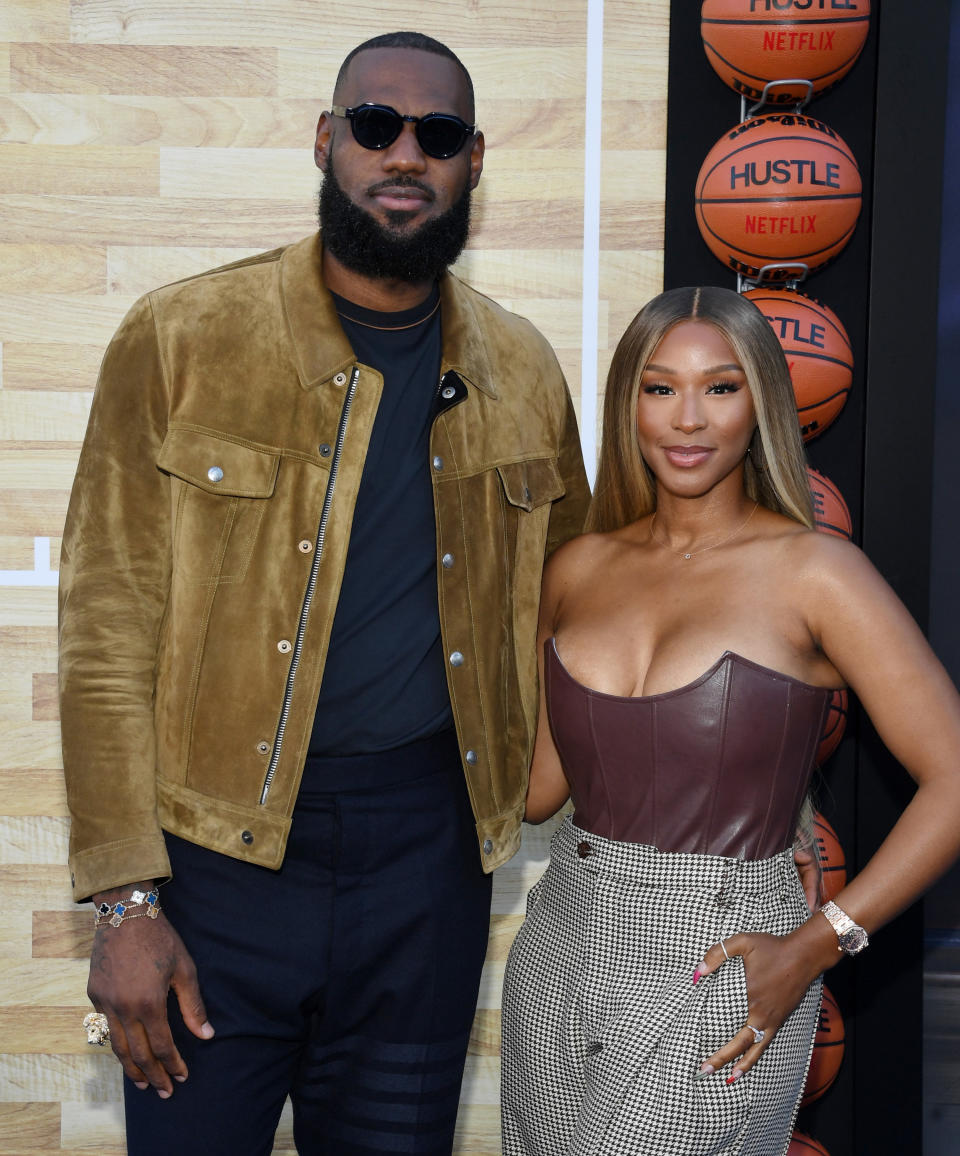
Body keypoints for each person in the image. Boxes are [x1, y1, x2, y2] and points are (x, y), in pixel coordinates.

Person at [58, 31, 590, 1156]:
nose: (405, 154)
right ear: (325, 138)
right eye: (376, 125)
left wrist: (739, 811)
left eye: (437, 136)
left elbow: (591, 621)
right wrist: (125, 904)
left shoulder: (525, 372)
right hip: (214, 871)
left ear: (475, 161)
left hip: (426, 871)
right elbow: (106, 633)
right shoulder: (182, 338)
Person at [499, 286, 960, 1156]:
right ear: (628, 401)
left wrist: (822, 943)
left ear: (764, 406)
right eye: (659, 387)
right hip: (559, 945)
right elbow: (534, 792)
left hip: (721, 956)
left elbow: (954, 778)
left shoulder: (816, 571)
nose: (688, 419)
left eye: (721, 387)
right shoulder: (578, 567)